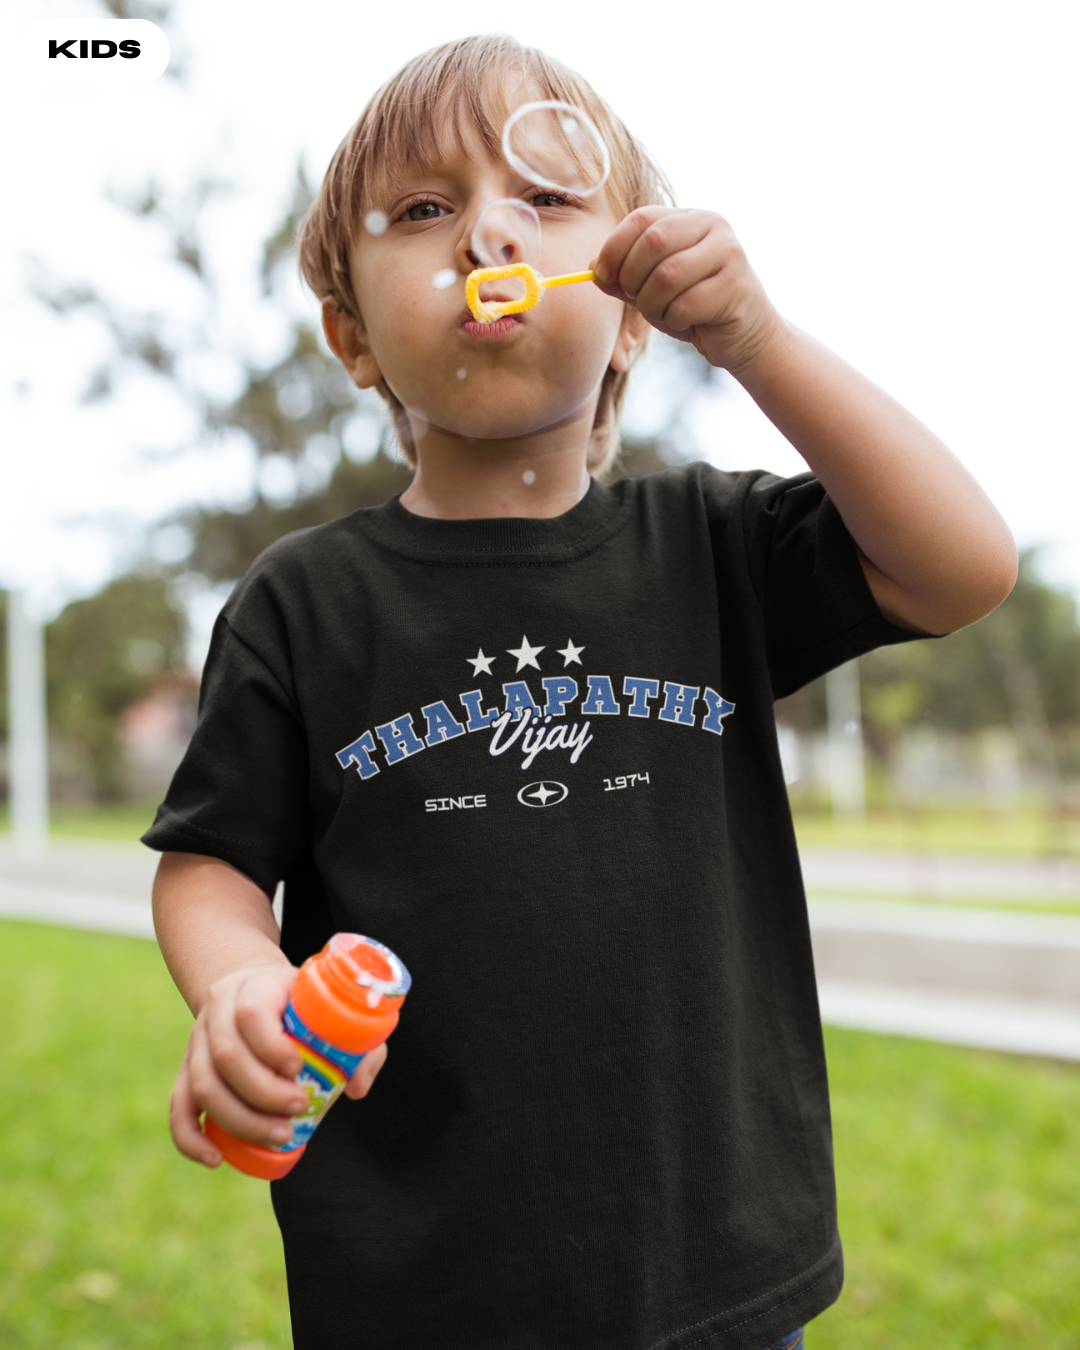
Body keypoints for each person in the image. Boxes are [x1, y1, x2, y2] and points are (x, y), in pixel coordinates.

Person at [146, 34, 1017, 1350]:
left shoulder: (713, 547)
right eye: (424, 209)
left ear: (630, 313)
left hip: (716, 1267)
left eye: (547, 198)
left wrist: (759, 342)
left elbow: (963, 569)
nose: (490, 233)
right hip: (421, 1285)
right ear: (352, 336)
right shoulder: (304, 602)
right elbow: (209, 861)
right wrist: (238, 984)